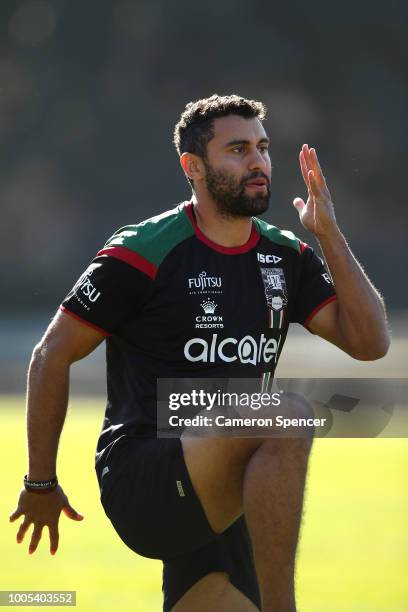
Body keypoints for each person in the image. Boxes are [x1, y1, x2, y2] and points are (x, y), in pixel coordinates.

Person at [10, 94, 389, 612]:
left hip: (230, 486)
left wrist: (328, 234)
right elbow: (50, 354)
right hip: (145, 473)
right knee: (286, 415)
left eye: (262, 147)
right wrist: (40, 482)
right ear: (193, 166)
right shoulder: (144, 249)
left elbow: (369, 344)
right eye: (237, 149)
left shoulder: (284, 255)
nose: (257, 161)